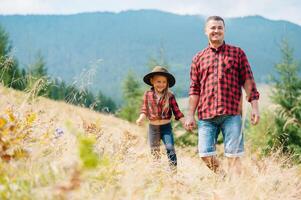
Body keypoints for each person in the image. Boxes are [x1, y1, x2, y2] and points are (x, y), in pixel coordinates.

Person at [185, 16, 260, 175]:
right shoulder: (198, 58)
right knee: (205, 154)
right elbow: (194, 89)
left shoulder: (237, 53)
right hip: (206, 116)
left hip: (231, 114)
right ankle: (222, 176)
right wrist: (190, 115)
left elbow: (248, 81)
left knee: (233, 156)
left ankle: (235, 190)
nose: (216, 31)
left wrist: (255, 107)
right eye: (212, 28)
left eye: (220, 27)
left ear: (224, 31)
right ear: (206, 31)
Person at [136, 66, 185, 172]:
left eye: (164, 82)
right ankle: (157, 171)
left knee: (170, 148)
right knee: (155, 151)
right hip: (153, 128)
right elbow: (144, 109)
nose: (161, 84)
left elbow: (177, 111)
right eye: (158, 81)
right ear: (152, 81)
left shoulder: (170, 96)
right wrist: (141, 118)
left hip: (166, 127)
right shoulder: (148, 95)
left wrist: (184, 121)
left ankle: (173, 171)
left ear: (167, 83)